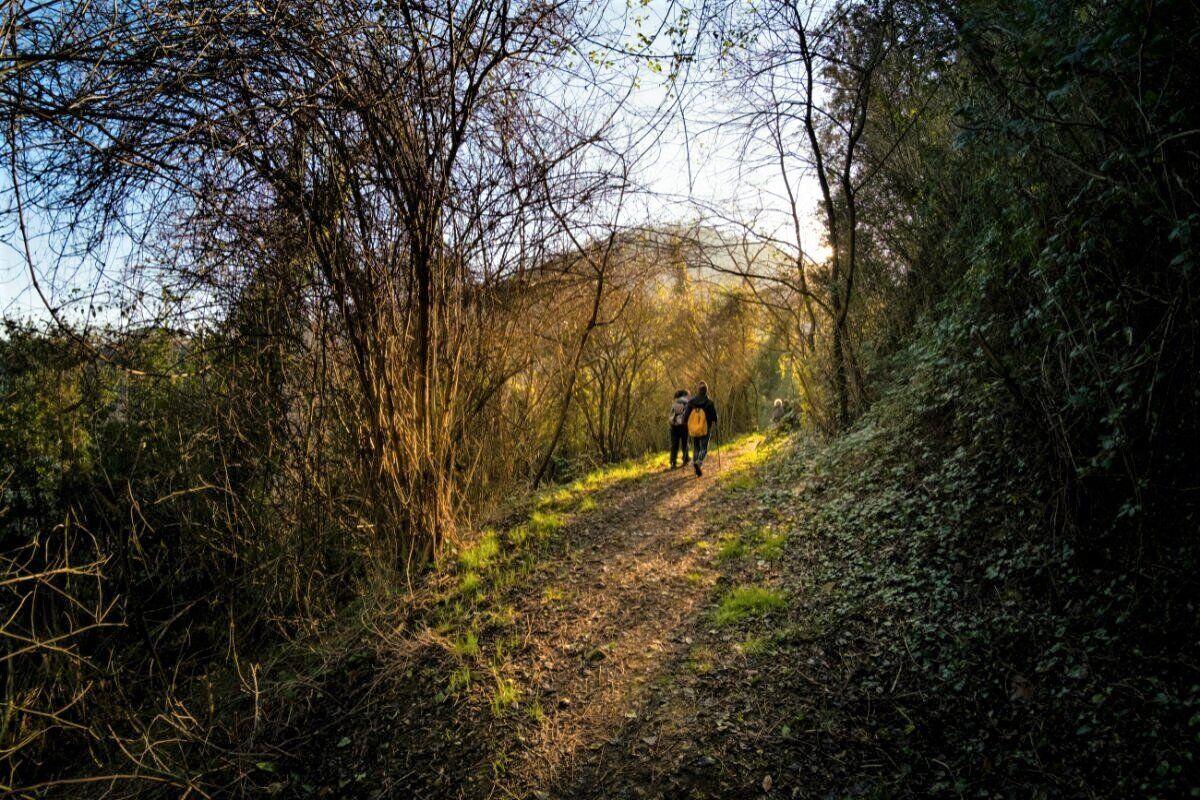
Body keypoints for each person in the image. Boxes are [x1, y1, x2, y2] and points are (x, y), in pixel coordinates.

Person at [683, 381, 718, 477]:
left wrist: (685, 422)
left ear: (698, 390)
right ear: (706, 391)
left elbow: (686, 415)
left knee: (696, 447)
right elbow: (714, 417)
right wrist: (715, 420)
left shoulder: (691, 402)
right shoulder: (709, 403)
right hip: (705, 429)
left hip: (694, 429)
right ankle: (698, 463)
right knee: (704, 449)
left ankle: (696, 467)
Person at [668, 389, 691, 469]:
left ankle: (673, 462)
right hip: (684, 426)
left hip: (674, 426)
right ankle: (685, 460)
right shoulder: (687, 402)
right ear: (685, 395)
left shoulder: (675, 402)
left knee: (674, 445)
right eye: (688, 394)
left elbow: (671, 415)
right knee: (685, 443)